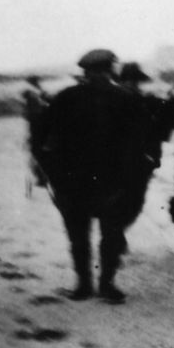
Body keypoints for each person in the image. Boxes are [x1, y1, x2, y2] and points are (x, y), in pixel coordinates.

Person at [39, 49, 154, 303]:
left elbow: (42, 135)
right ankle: (106, 285)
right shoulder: (127, 98)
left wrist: (51, 171)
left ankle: (83, 286)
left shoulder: (65, 97)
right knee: (110, 234)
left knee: (78, 236)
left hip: (72, 182)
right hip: (112, 182)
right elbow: (143, 141)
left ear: (85, 71)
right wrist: (136, 174)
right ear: (110, 70)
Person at [22, 76, 51, 188]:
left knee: (37, 150)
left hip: (37, 125)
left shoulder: (33, 95)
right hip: (39, 124)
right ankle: (42, 176)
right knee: (39, 150)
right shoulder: (36, 94)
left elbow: (28, 114)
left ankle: (41, 177)